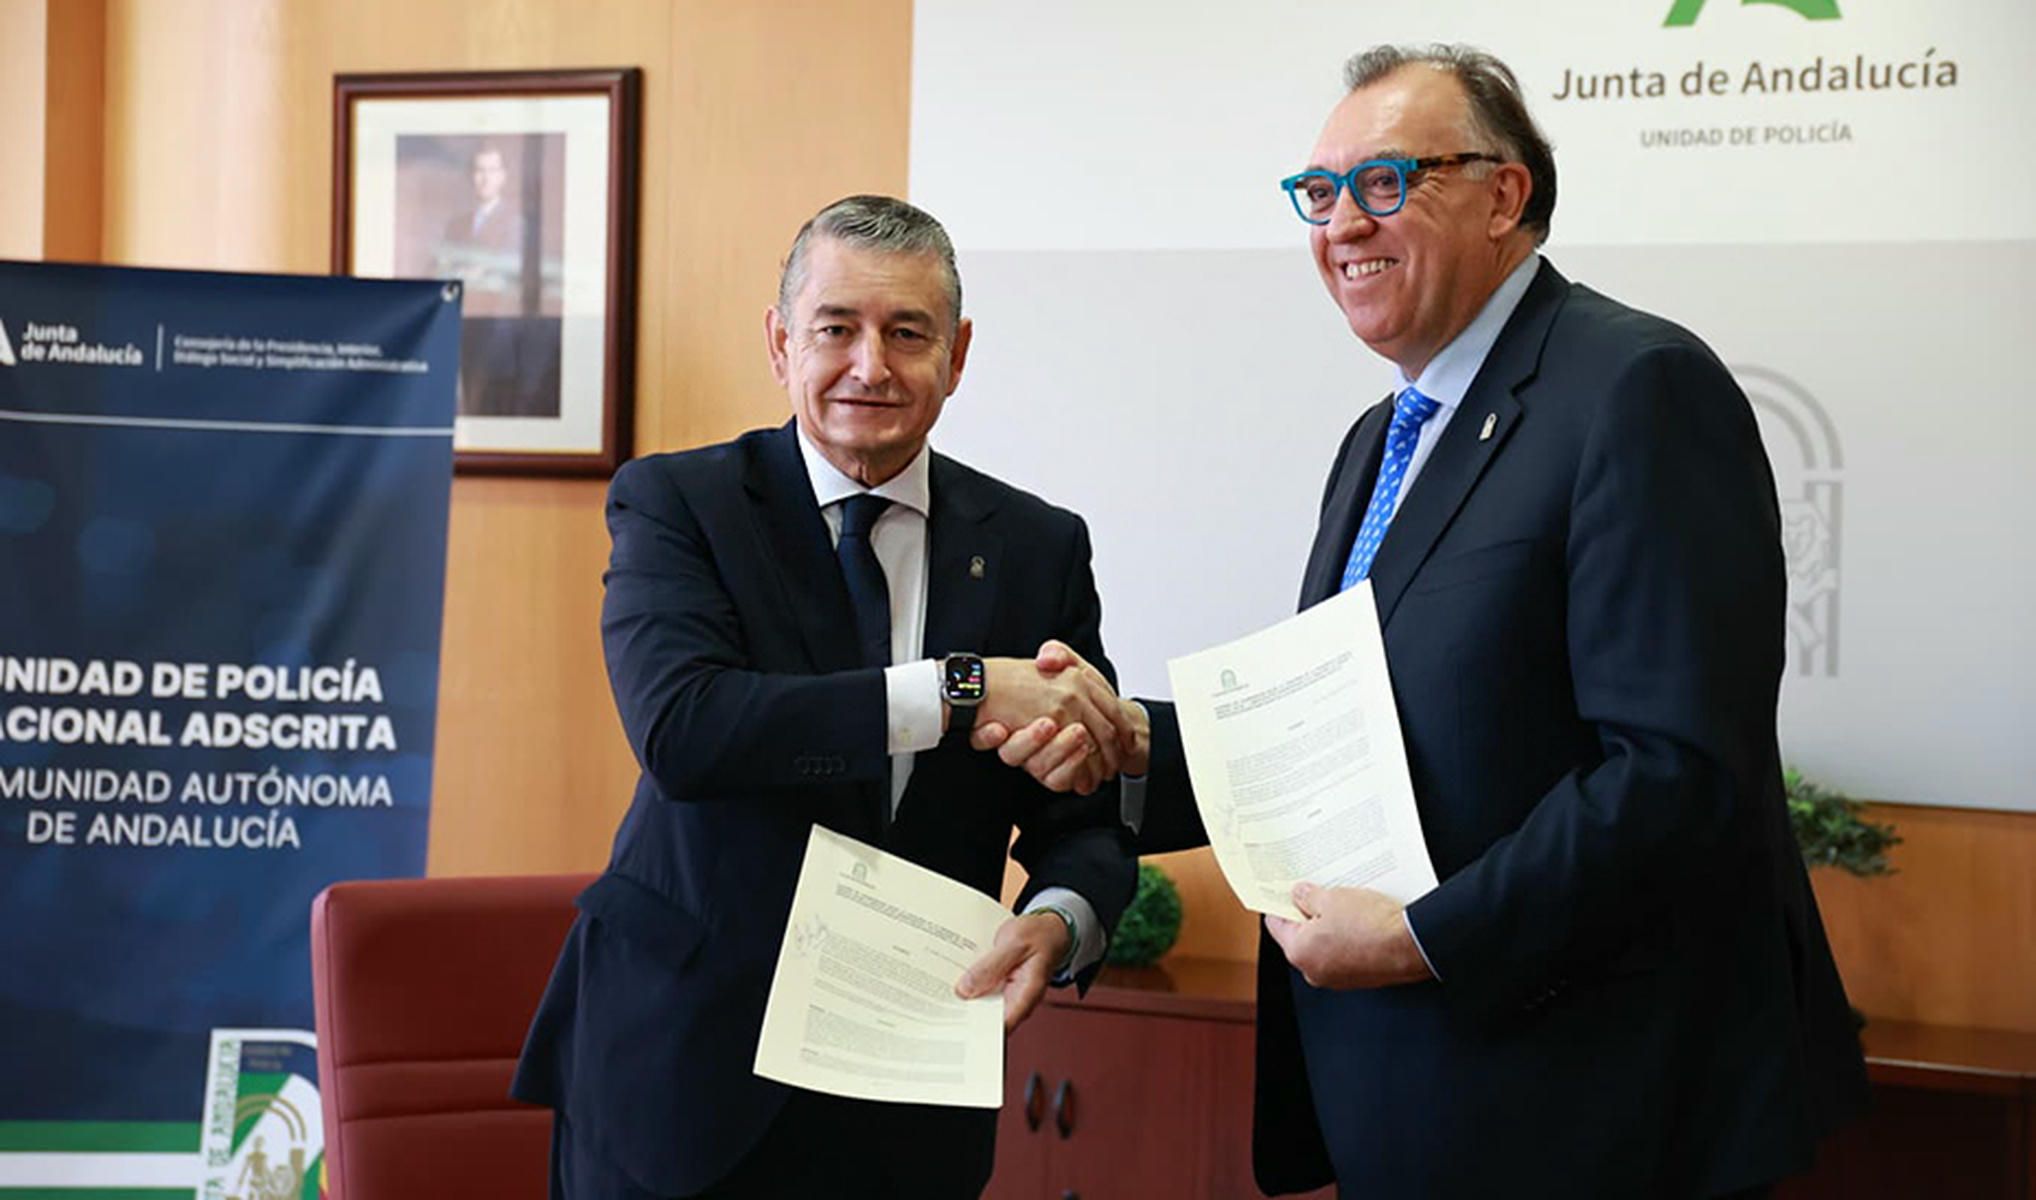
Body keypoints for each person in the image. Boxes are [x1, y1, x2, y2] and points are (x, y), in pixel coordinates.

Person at [979, 44, 1868, 1198]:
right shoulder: (1380, 438)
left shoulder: (1637, 388)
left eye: (1385, 182)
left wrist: (1424, 937)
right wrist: (1124, 741)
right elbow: (1341, 734)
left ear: (1505, 194)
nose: (1341, 223)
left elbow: (1675, 771)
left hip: (1590, 1104)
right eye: (1320, 192)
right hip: (1416, 1089)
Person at [511, 194, 1138, 1199]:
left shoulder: (1036, 545)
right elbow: (686, 730)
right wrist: (956, 690)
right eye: (835, 328)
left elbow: (1085, 817)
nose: (869, 366)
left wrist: (1060, 917)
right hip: (681, 1071)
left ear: (958, 353)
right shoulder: (680, 504)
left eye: (906, 333)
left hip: (906, 1086)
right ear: (778, 342)